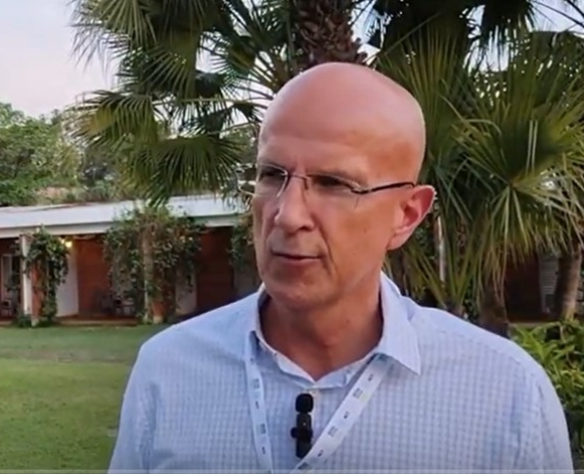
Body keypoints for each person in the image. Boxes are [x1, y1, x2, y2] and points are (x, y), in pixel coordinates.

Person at [107, 62, 574, 472]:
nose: (287, 214)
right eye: (271, 175)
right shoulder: (169, 369)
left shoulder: (506, 395)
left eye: (333, 183)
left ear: (406, 214)